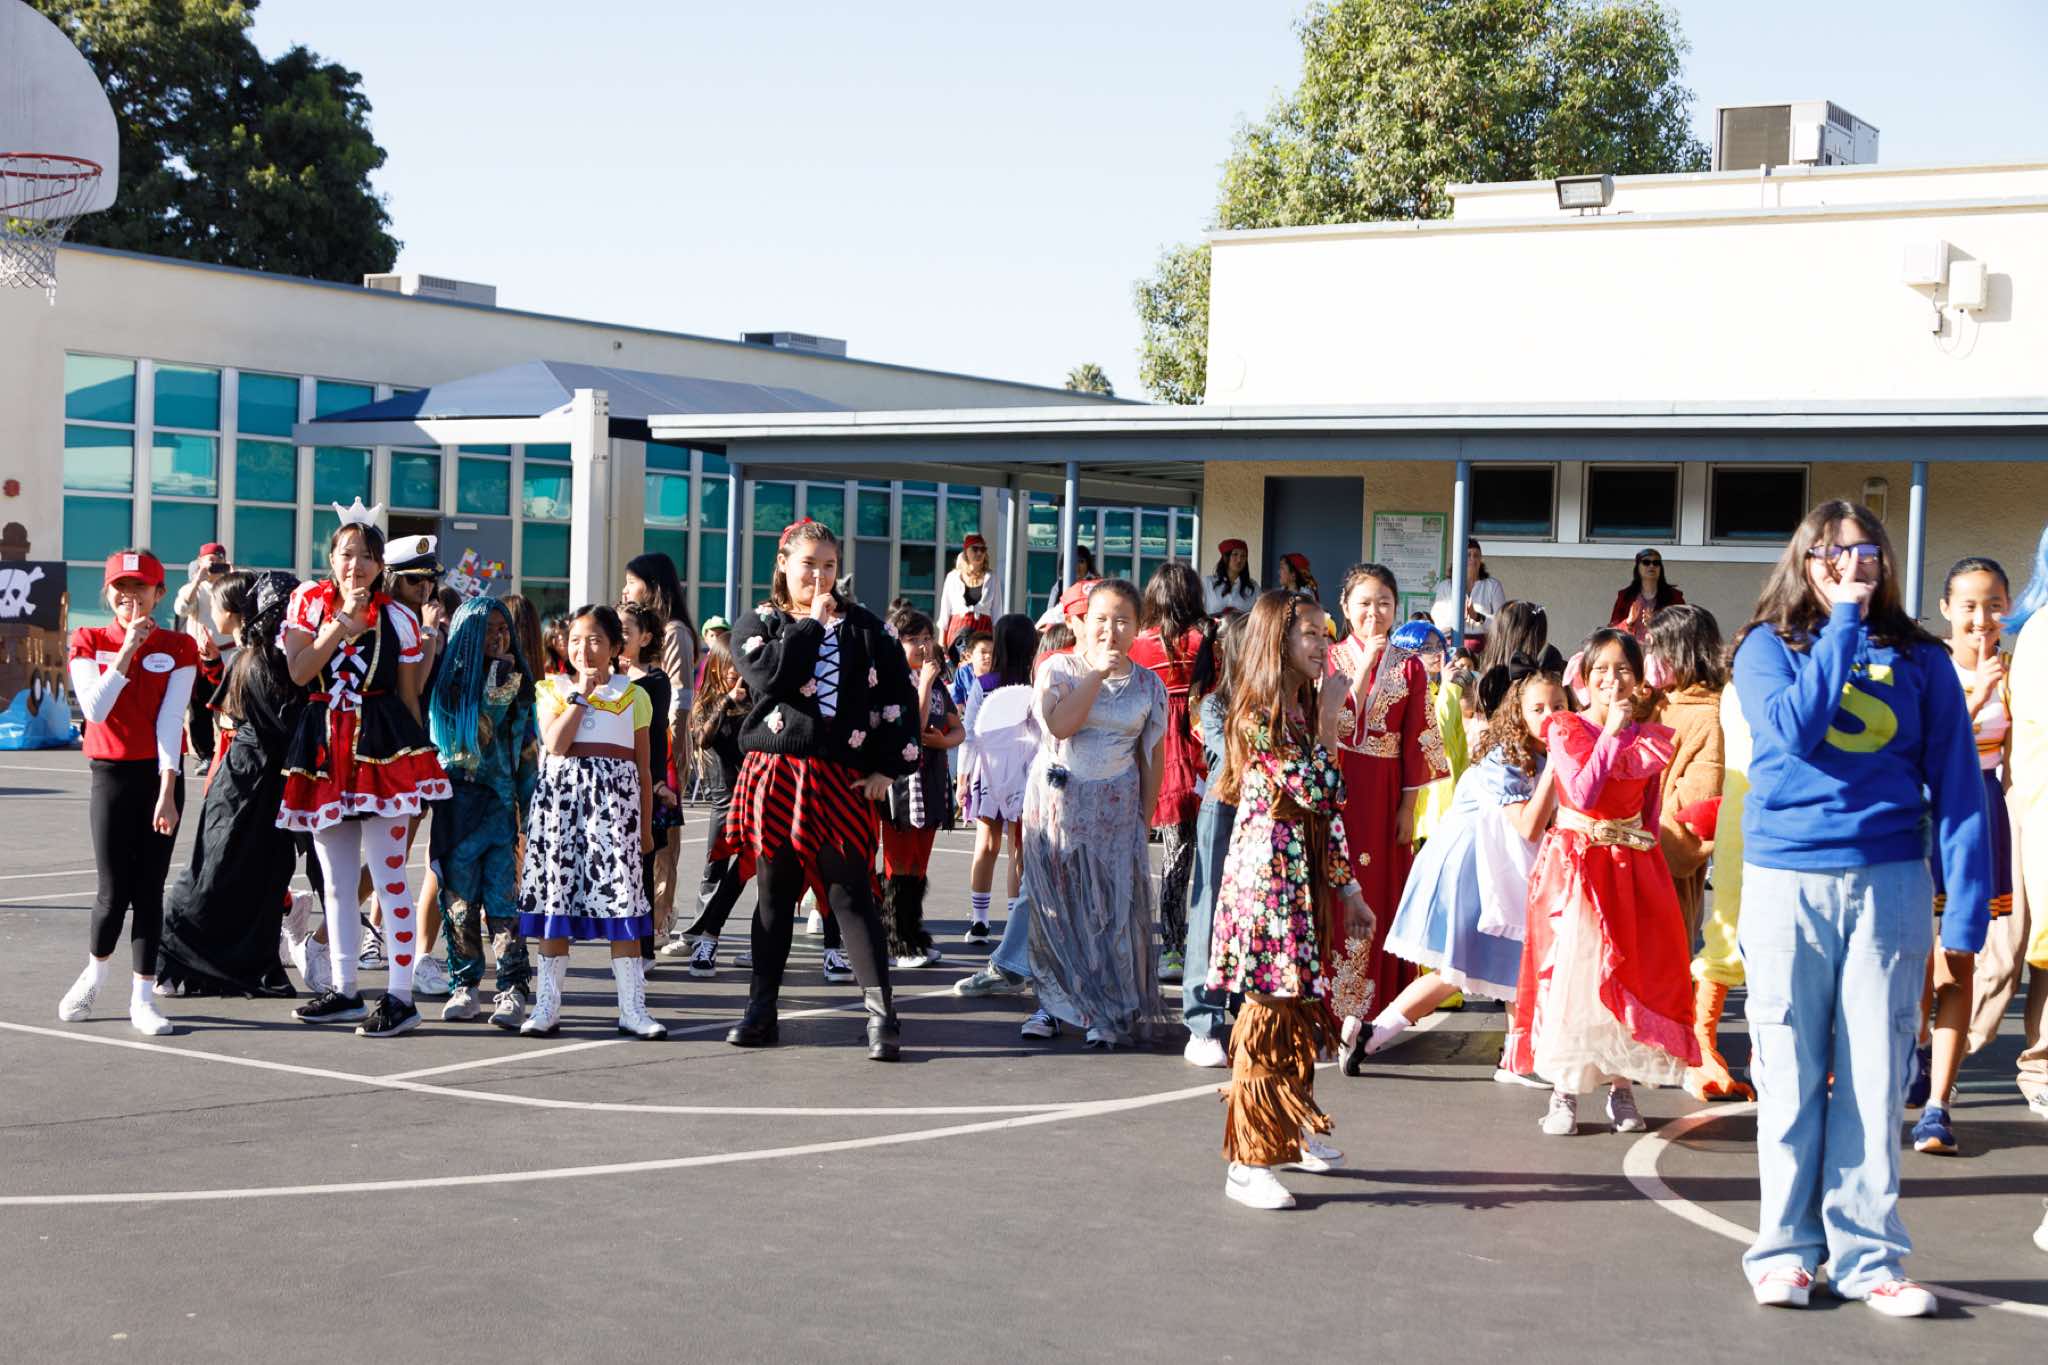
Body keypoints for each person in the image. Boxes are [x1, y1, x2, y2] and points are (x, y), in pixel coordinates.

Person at [1731, 500, 1987, 1317]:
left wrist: (1966, 912)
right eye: (1833, 554)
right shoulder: (1765, 648)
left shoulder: (1922, 658)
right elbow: (1795, 730)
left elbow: (1960, 784)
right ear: (1804, 561)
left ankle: (1869, 1256)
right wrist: (1842, 623)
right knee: (1788, 1071)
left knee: (1877, 1075)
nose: (1851, 567)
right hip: (1786, 880)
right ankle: (1785, 1251)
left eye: (1866, 555)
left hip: (1890, 880)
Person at [717, 518, 922, 1059]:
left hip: (839, 780)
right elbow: (772, 677)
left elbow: (899, 696)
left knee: (851, 895)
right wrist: (810, 624)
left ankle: (882, 1017)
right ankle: (761, 1010)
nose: (819, 576)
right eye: (808, 564)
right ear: (783, 564)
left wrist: (889, 768)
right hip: (775, 775)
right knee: (774, 894)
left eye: (829, 566)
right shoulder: (759, 623)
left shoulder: (867, 628)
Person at [1207, 589, 1375, 1209]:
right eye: (1309, 632)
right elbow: (1318, 790)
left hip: (1301, 882)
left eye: (1323, 632)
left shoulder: (1301, 712)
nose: (1322, 644)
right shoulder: (1257, 713)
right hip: (1266, 885)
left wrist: (1349, 888)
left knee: (1299, 1008)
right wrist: (1331, 720)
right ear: (1276, 642)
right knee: (1265, 1013)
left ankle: (1290, 1125)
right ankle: (1248, 1160)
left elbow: (1327, 815)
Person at [1505, 626, 1697, 1136]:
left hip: (1630, 870)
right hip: (1577, 872)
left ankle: (1621, 1087)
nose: (1613, 679)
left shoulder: (1649, 739)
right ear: (1585, 678)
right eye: (1602, 670)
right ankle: (1564, 1094)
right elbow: (1584, 793)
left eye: (1624, 669)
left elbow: (1649, 814)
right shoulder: (1566, 728)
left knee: (1627, 978)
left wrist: (1653, 872)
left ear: (1638, 679)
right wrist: (1611, 730)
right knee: (1575, 979)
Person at [278, 504, 452, 1038]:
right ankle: (345, 989)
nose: (356, 565)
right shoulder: (308, 603)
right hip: (324, 749)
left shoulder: (398, 617)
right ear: (331, 558)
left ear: (381, 566)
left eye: (367, 557)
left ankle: (400, 996)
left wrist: (420, 765)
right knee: (334, 882)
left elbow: (408, 695)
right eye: (346, 554)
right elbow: (300, 671)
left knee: (389, 877)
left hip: (383, 751)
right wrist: (341, 622)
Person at [1365, 661, 1564, 1058]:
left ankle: (1374, 1034)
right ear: (1518, 714)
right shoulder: (1505, 760)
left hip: (1502, 868)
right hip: (1471, 868)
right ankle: (1374, 1033)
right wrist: (1559, 765)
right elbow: (1528, 826)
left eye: (1558, 706)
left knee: (1499, 966)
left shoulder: (1538, 756)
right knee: (1464, 967)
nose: (1550, 716)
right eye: (1538, 708)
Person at [1001, 579, 1167, 1047]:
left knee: (1109, 912)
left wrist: (1144, 819)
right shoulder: (1060, 669)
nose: (1111, 630)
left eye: (1122, 621)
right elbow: (1060, 725)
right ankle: (1051, 1006)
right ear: (1082, 622)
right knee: (1056, 907)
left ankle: (1104, 1008)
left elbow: (1151, 756)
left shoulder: (1149, 685)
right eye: (1101, 619)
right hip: (1060, 806)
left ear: (1138, 627)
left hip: (1116, 808)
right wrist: (1095, 674)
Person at [59, 550, 197, 1036]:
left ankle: (143, 997)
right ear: (108, 592)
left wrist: (168, 790)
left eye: (141, 586)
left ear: (159, 593)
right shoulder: (88, 639)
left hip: (158, 777)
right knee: (112, 892)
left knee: (149, 892)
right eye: (121, 586)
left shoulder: (179, 647)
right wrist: (127, 651)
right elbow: (95, 711)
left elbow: (170, 721)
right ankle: (94, 975)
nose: (130, 596)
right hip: (110, 775)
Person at [511, 605, 663, 1038]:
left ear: (615, 647)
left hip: (615, 814)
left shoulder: (635, 696)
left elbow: (644, 769)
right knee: (555, 904)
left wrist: (645, 829)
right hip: (560, 813)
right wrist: (581, 695)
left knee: (623, 904)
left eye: (595, 640)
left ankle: (633, 1009)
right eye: (576, 640)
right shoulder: (551, 689)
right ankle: (547, 1007)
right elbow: (556, 743)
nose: (584, 649)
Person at [1908, 557, 2015, 1157]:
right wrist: (1977, 696)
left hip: (1981, 814)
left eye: (1993, 605)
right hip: (1924, 816)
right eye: (1969, 605)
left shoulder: (2019, 671)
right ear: (1946, 609)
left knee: (1959, 962)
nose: (1982, 618)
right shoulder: (1928, 667)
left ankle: (1938, 1106)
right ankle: (1916, 1050)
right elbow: (1921, 748)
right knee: (1914, 963)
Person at [156, 571, 304, 999]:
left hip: (254, 782)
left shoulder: (263, 659)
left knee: (246, 875)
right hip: (251, 782)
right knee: (223, 872)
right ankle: (185, 959)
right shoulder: (261, 660)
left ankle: (232, 965)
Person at [1327, 563, 1451, 1058]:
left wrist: (1409, 807)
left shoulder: (1411, 667)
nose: (1373, 613)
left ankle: (1373, 1012)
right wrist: (1361, 671)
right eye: (1364, 603)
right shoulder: (1328, 658)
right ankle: (1328, 1008)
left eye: (1384, 603)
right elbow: (1330, 725)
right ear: (1345, 607)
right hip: (1335, 790)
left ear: (1396, 608)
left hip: (1383, 795)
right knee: (1333, 891)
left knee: (1378, 890)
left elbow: (1419, 740)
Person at [427, 595, 539, 1030]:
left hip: (500, 809)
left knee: (503, 901)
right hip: (458, 810)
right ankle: (465, 985)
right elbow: (470, 742)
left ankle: (512, 987)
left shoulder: (518, 684)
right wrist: (496, 683)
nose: (499, 637)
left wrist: (532, 814)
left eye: (503, 628)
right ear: (467, 634)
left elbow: (526, 753)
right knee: (459, 903)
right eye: (488, 629)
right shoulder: (448, 686)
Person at [1983, 531, 2048, 1133]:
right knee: (2001, 953)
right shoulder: (2038, 631)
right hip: (2025, 810)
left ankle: (2040, 1070)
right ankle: (1939, 1056)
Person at [1129, 562, 1209, 982]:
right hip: (1204, 748)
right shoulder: (1206, 638)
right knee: (1210, 853)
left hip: (1156, 748)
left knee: (1174, 854)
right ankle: (1204, 945)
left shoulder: (1139, 644)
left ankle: (1172, 947)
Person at [1179, 612, 1248, 1067]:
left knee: (1255, 913)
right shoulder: (1216, 704)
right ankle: (1202, 1022)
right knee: (1209, 910)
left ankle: (1249, 1009)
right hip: (1225, 812)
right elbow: (1237, 759)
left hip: (1268, 816)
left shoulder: (1289, 699)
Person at [661, 626, 748, 975]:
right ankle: (698, 932)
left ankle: (711, 932)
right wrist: (727, 702)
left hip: (753, 795)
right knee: (715, 868)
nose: (736, 675)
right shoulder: (709, 702)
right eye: (730, 667)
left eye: (741, 667)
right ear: (717, 667)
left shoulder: (755, 700)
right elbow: (702, 739)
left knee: (757, 870)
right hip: (724, 800)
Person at [621, 553, 697, 943]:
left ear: (652, 586)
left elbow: (680, 698)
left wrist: (674, 756)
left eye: (631, 582)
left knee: (663, 836)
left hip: (665, 747)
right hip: (642, 744)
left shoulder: (673, 632)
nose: (625, 590)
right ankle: (648, 912)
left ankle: (661, 917)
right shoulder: (645, 632)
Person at [882, 607, 965, 967]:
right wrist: (926, 684)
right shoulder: (892, 680)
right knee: (899, 863)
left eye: (927, 638)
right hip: (902, 784)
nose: (922, 645)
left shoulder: (939, 683)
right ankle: (896, 941)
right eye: (912, 639)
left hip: (931, 778)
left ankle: (913, 935)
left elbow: (958, 728)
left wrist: (944, 742)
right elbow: (909, 728)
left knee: (919, 863)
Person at [1644, 603, 1726, 949]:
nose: (1650, 657)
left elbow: (1696, 806)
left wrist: (1643, 842)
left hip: (1662, 876)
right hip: (1636, 864)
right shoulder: (1662, 702)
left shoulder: (1709, 716)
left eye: (1656, 648)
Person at [957, 612, 1038, 949]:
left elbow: (970, 733)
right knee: (1019, 848)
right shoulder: (1037, 684)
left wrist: (962, 778)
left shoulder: (986, 683)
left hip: (989, 771)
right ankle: (1014, 925)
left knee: (986, 844)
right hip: (1027, 772)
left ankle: (979, 921)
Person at [619, 603, 680, 961]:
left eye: (626, 630)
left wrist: (657, 783)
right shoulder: (602, 678)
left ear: (645, 638)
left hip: (644, 784)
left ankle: (642, 952)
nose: (619, 636)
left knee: (641, 869)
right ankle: (621, 947)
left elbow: (655, 736)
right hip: (608, 785)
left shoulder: (655, 681)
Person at [172, 542, 233, 769]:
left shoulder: (231, 585)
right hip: (201, 656)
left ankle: (230, 752)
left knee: (229, 707)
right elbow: (181, 609)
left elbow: (245, 606)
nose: (215, 566)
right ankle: (206, 755)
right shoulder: (194, 588)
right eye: (211, 561)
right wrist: (198, 579)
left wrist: (232, 575)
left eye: (219, 562)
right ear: (200, 562)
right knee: (199, 709)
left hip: (228, 653)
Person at [1432, 538, 1508, 656]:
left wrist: (1477, 617)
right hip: (1451, 647)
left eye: (1476, 555)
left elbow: (1502, 622)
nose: (1472, 559)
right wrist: (1457, 617)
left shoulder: (1492, 585)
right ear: (1459, 558)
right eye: (1468, 555)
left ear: (1481, 560)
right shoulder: (1445, 586)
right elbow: (1437, 622)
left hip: (1483, 649)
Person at [937, 533, 1002, 653]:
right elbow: (945, 612)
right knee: (957, 663)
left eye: (982, 549)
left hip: (983, 631)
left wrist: (997, 644)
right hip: (958, 630)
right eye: (975, 549)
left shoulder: (992, 578)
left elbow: (997, 614)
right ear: (966, 551)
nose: (979, 553)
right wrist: (941, 643)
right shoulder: (952, 577)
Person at [1609, 549, 1686, 643]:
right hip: (1633, 649)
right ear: (1638, 568)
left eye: (1656, 563)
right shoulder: (1625, 596)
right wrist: (1628, 621)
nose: (1651, 566)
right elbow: (1613, 630)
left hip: (1663, 649)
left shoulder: (1674, 596)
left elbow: (1683, 627)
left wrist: (1657, 623)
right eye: (1646, 562)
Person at [1204, 539, 1258, 617]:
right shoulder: (1208, 583)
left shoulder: (1253, 587)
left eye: (1243, 556)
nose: (1239, 560)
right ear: (1226, 557)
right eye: (1235, 554)